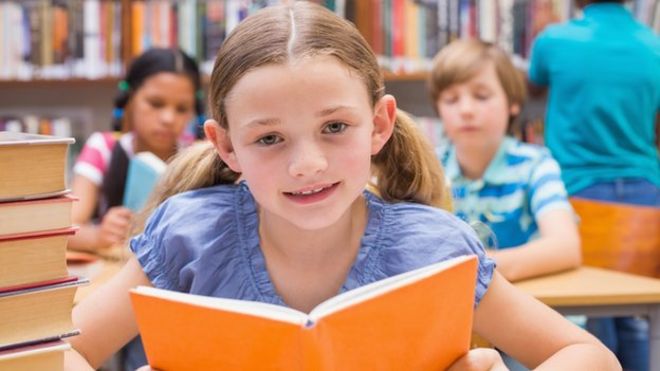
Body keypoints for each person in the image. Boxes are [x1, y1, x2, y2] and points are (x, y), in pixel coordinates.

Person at [65, 3, 619, 370]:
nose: (307, 164)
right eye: (269, 139)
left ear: (378, 124)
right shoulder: (187, 236)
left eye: (334, 128)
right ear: (226, 145)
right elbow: (54, 354)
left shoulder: (435, 250)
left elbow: (588, 354)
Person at [529, 1, 659, 369]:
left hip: (578, 194)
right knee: (636, 318)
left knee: (591, 321)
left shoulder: (553, 40)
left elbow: (532, 92)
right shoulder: (653, 45)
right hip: (647, 197)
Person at [429, 39, 581, 284]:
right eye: (451, 100)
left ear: (513, 104)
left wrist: (478, 268)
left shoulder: (535, 165)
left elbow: (566, 247)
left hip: (528, 305)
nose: (466, 109)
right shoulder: (428, 167)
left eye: (481, 96)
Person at [69, 47, 204, 253]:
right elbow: (68, 229)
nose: (168, 119)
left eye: (182, 109)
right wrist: (98, 236)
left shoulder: (198, 157)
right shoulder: (103, 148)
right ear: (129, 99)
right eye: (155, 103)